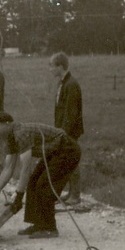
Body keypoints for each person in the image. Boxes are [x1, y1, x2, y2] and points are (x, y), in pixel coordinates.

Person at [0, 111, 82, 238]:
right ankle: (38, 224)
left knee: (44, 185)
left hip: (68, 150)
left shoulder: (20, 134)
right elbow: (9, 166)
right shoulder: (10, 137)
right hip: (54, 152)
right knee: (33, 182)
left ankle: (49, 228)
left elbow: (25, 168)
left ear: (7, 124)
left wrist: (19, 196)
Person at [50, 52, 85, 204]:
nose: (50, 70)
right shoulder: (62, 83)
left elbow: (71, 113)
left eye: (52, 66)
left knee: (72, 160)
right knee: (67, 161)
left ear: (60, 66)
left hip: (69, 131)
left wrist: (63, 132)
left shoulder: (71, 85)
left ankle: (75, 195)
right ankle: (71, 193)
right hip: (62, 130)